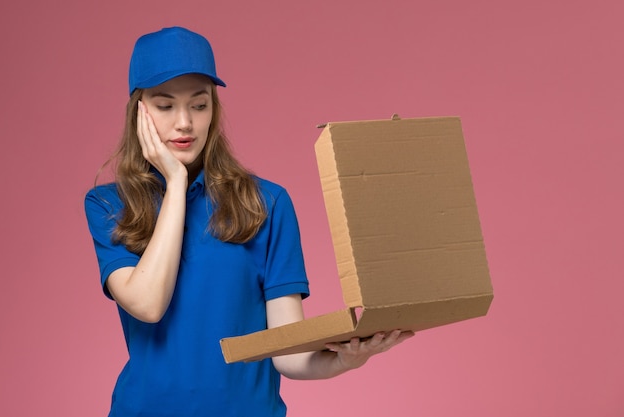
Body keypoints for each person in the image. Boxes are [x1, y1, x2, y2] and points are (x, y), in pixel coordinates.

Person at [84, 26, 414, 416]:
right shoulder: (109, 205)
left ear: (214, 109)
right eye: (165, 105)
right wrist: (175, 184)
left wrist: (347, 359)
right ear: (138, 111)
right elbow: (147, 304)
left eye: (199, 104)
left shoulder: (265, 203)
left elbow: (287, 353)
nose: (185, 123)